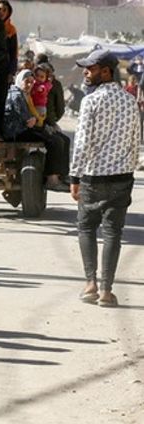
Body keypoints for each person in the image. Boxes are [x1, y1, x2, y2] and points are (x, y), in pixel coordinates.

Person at [71, 50, 140, 307]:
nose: (85, 72)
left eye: (91, 68)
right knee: (113, 232)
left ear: (106, 71)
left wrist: (74, 176)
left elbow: (82, 143)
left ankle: (91, 284)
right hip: (122, 177)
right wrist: (129, 169)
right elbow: (136, 141)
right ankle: (106, 292)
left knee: (87, 227)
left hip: (92, 177)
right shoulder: (129, 101)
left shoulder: (91, 101)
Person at [2, 69, 68, 191]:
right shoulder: (16, 94)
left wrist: (36, 122)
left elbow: (32, 119)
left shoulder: (23, 94)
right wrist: (34, 121)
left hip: (23, 129)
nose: (29, 85)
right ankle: (52, 179)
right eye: (27, 82)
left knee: (60, 138)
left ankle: (60, 176)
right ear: (19, 81)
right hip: (17, 132)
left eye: (32, 82)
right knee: (54, 141)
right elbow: (28, 120)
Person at [0, 0, 18, 135]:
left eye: (4, 10)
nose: (1, 12)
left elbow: (13, 53)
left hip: (3, 70)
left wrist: (11, 72)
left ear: (9, 13)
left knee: (1, 100)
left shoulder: (11, 30)